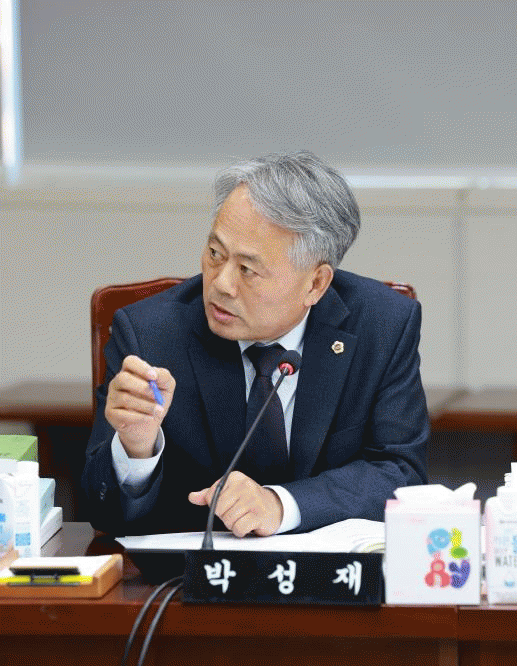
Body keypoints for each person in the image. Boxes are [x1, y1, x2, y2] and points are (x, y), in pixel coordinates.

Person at [82, 151, 429, 537]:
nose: (221, 284)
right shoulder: (150, 334)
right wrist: (135, 450)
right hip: (193, 571)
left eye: (248, 269)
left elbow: (401, 475)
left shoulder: (382, 327)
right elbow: (102, 513)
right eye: (215, 254)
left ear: (315, 284)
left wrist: (281, 505)